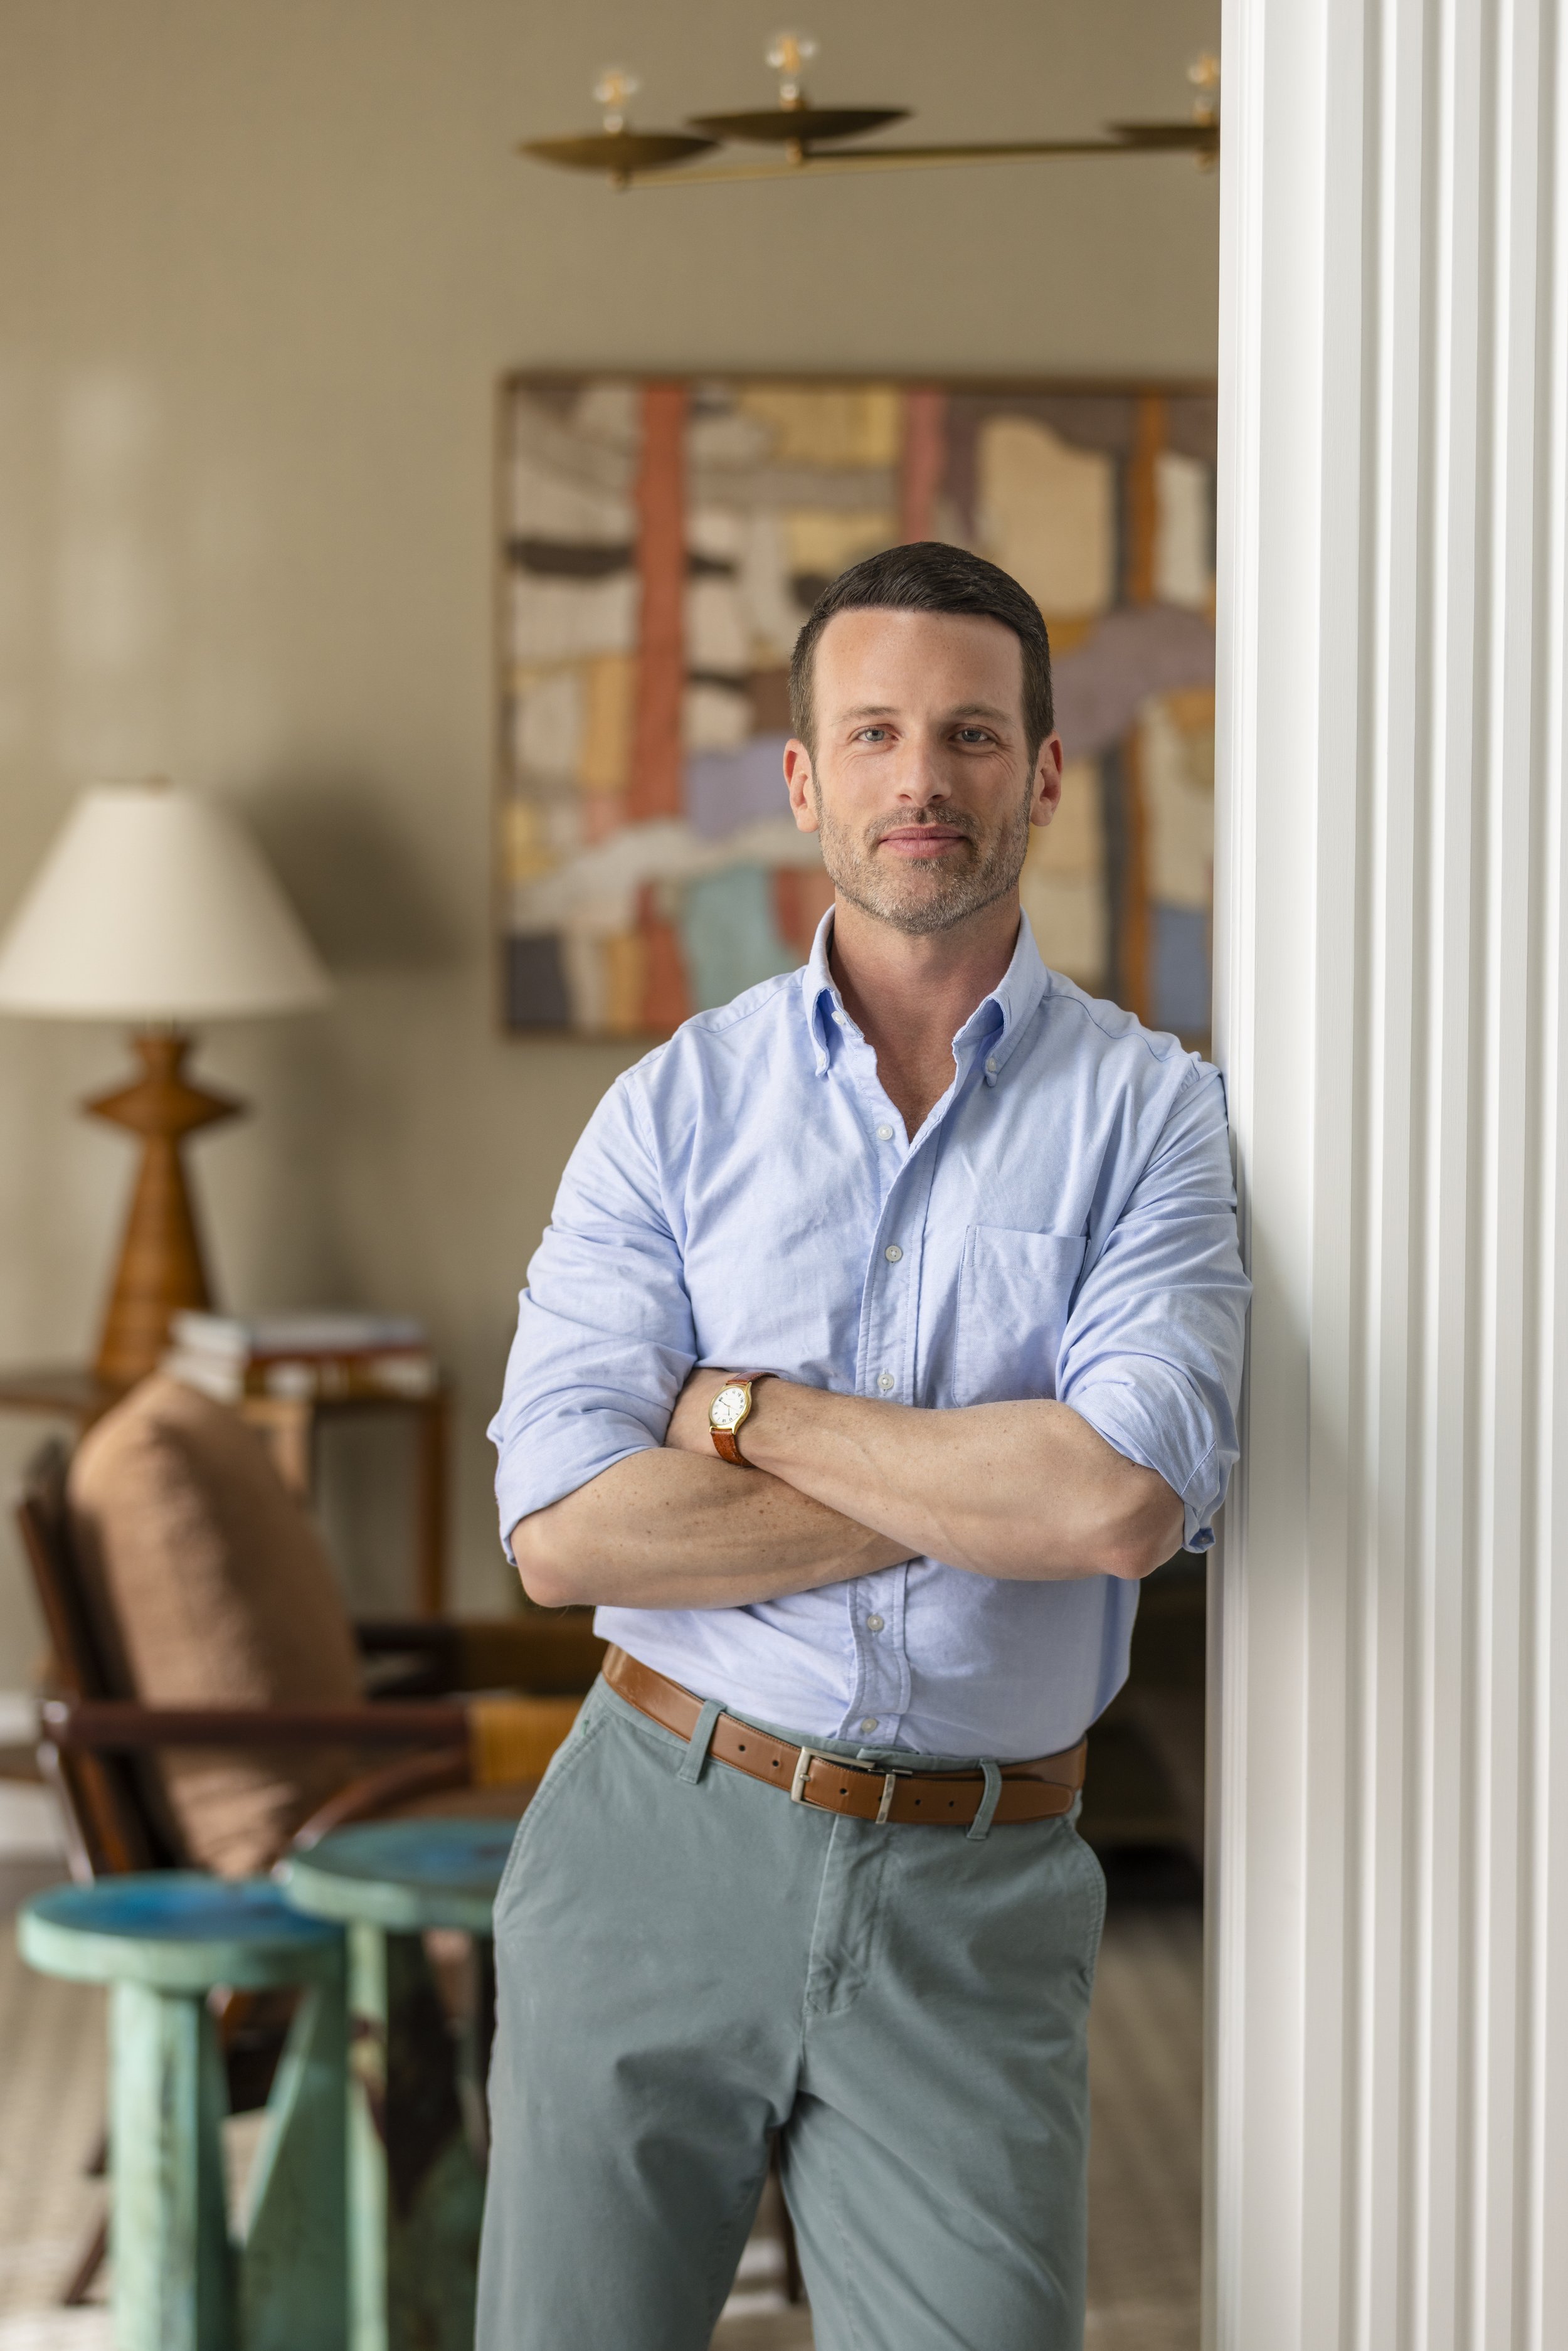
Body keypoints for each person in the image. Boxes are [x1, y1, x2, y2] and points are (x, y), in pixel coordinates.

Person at [479, 541, 1249, 2351]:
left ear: (1041, 773)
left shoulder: (1155, 1116)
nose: (924, 778)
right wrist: (989, 1484)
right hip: (652, 1837)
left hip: (978, 1896)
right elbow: (564, 1534)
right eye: (876, 733)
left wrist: (740, 1416)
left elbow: (1115, 1501)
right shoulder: (668, 1114)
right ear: (805, 780)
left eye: (971, 734)